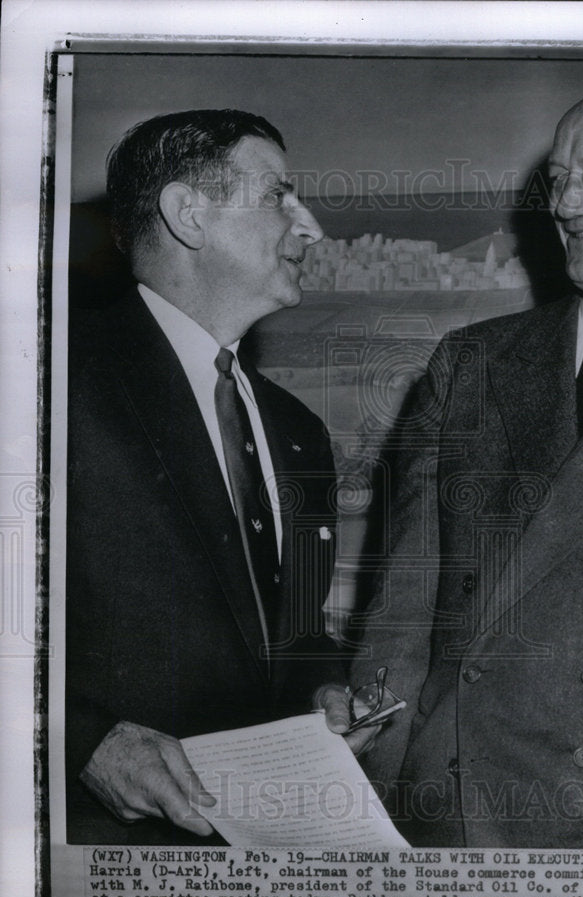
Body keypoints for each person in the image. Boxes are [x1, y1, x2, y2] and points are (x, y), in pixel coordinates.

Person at [351, 84, 583, 849]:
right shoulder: (473, 360)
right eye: (557, 179)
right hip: (451, 805)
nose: (566, 202)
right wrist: (374, 781)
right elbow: (404, 602)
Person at [66, 109, 367, 844]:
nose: (309, 228)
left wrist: (324, 690)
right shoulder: (50, 381)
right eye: (277, 197)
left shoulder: (297, 431)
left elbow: (296, 629)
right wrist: (81, 743)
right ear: (188, 215)